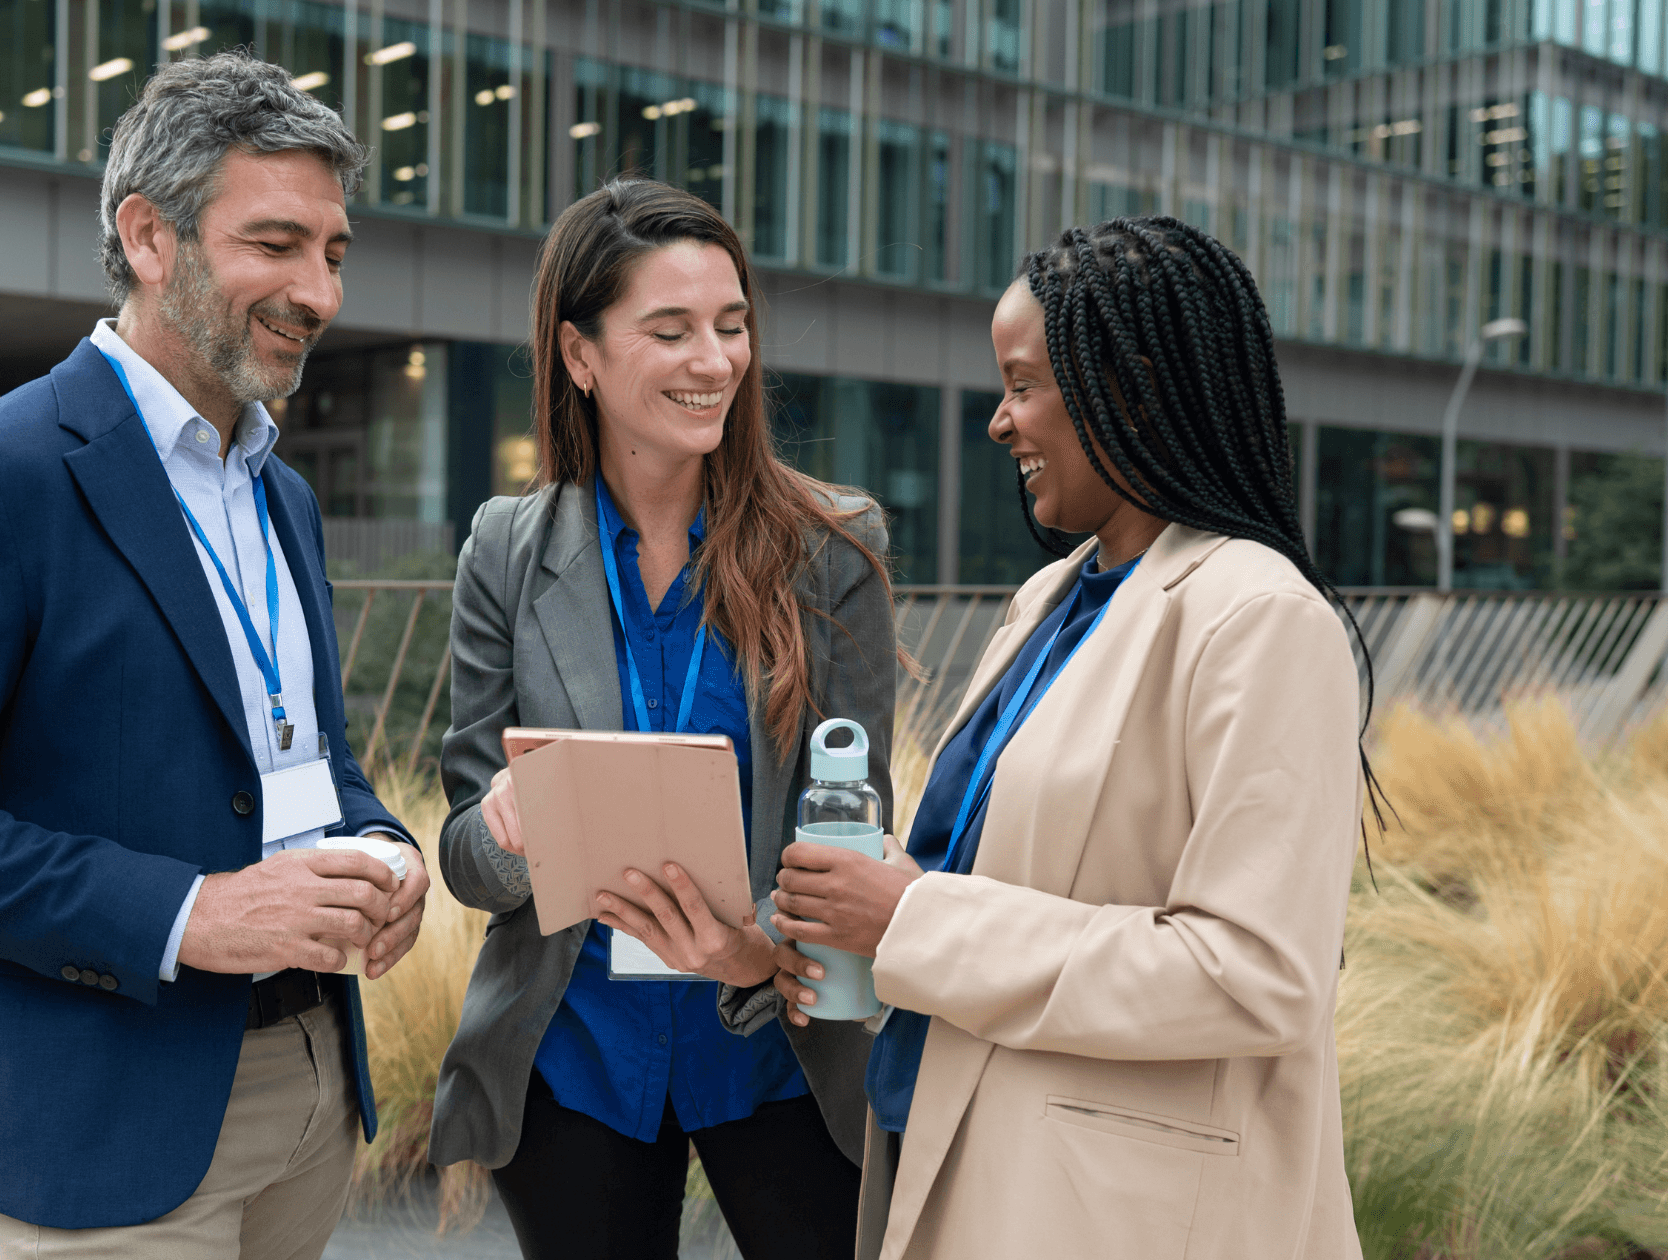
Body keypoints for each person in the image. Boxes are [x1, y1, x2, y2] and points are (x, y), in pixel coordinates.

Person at [0, 52, 430, 1259]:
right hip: (106, 1117)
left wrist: (378, 847)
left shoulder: (282, 494)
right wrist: (186, 913)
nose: (321, 291)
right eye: (276, 244)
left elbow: (301, 752)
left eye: (334, 252)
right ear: (149, 237)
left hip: (312, 1087)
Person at [769, 216, 1372, 1259]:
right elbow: (987, 881)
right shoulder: (1047, 600)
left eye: (1019, 384)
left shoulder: (1257, 618)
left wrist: (909, 921)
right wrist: (862, 950)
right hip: (950, 1152)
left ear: (1125, 389)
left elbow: (1250, 974)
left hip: (1107, 1210)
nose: (998, 423)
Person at [428, 178, 899, 1260]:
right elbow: (464, 857)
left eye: (731, 327)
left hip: (777, 1049)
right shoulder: (504, 547)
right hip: (575, 1052)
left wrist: (755, 948)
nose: (715, 360)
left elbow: (853, 830)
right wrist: (505, 831)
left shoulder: (834, 546)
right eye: (671, 329)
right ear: (580, 355)